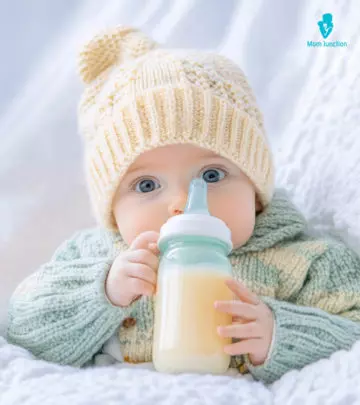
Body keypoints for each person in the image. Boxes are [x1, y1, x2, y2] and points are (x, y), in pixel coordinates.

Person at [6, 25, 360, 385]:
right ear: (113, 211)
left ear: (255, 189)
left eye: (211, 176)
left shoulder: (305, 261)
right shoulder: (94, 257)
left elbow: (353, 337)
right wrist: (104, 292)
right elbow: (21, 327)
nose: (181, 203)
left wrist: (280, 335)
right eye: (146, 185)